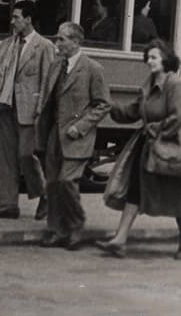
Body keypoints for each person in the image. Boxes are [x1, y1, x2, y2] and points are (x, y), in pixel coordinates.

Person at [95, 39, 181, 260]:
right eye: (148, 57)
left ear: (165, 59)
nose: (149, 61)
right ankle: (120, 239)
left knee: (178, 196)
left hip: (170, 147)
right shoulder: (150, 83)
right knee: (135, 189)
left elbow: (179, 117)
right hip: (147, 147)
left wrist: (155, 129)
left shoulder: (175, 85)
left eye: (153, 57)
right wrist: (111, 108)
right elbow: (135, 111)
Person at [35, 21, 112, 250]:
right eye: (57, 39)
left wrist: (80, 126)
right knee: (52, 184)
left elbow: (103, 104)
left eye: (62, 39)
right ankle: (57, 230)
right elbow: (49, 97)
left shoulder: (92, 69)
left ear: (76, 42)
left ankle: (76, 225)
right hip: (53, 135)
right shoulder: (56, 65)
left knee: (67, 182)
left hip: (76, 137)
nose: (57, 43)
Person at [0, 0, 55, 220]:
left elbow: (48, 81)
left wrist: (42, 111)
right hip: (5, 105)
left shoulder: (44, 46)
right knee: (5, 156)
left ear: (28, 19)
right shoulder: (7, 44)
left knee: (26, 154)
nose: (12, 21)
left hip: (29, 109)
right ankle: (7, 204)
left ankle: (45, 195)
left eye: (16, 17)